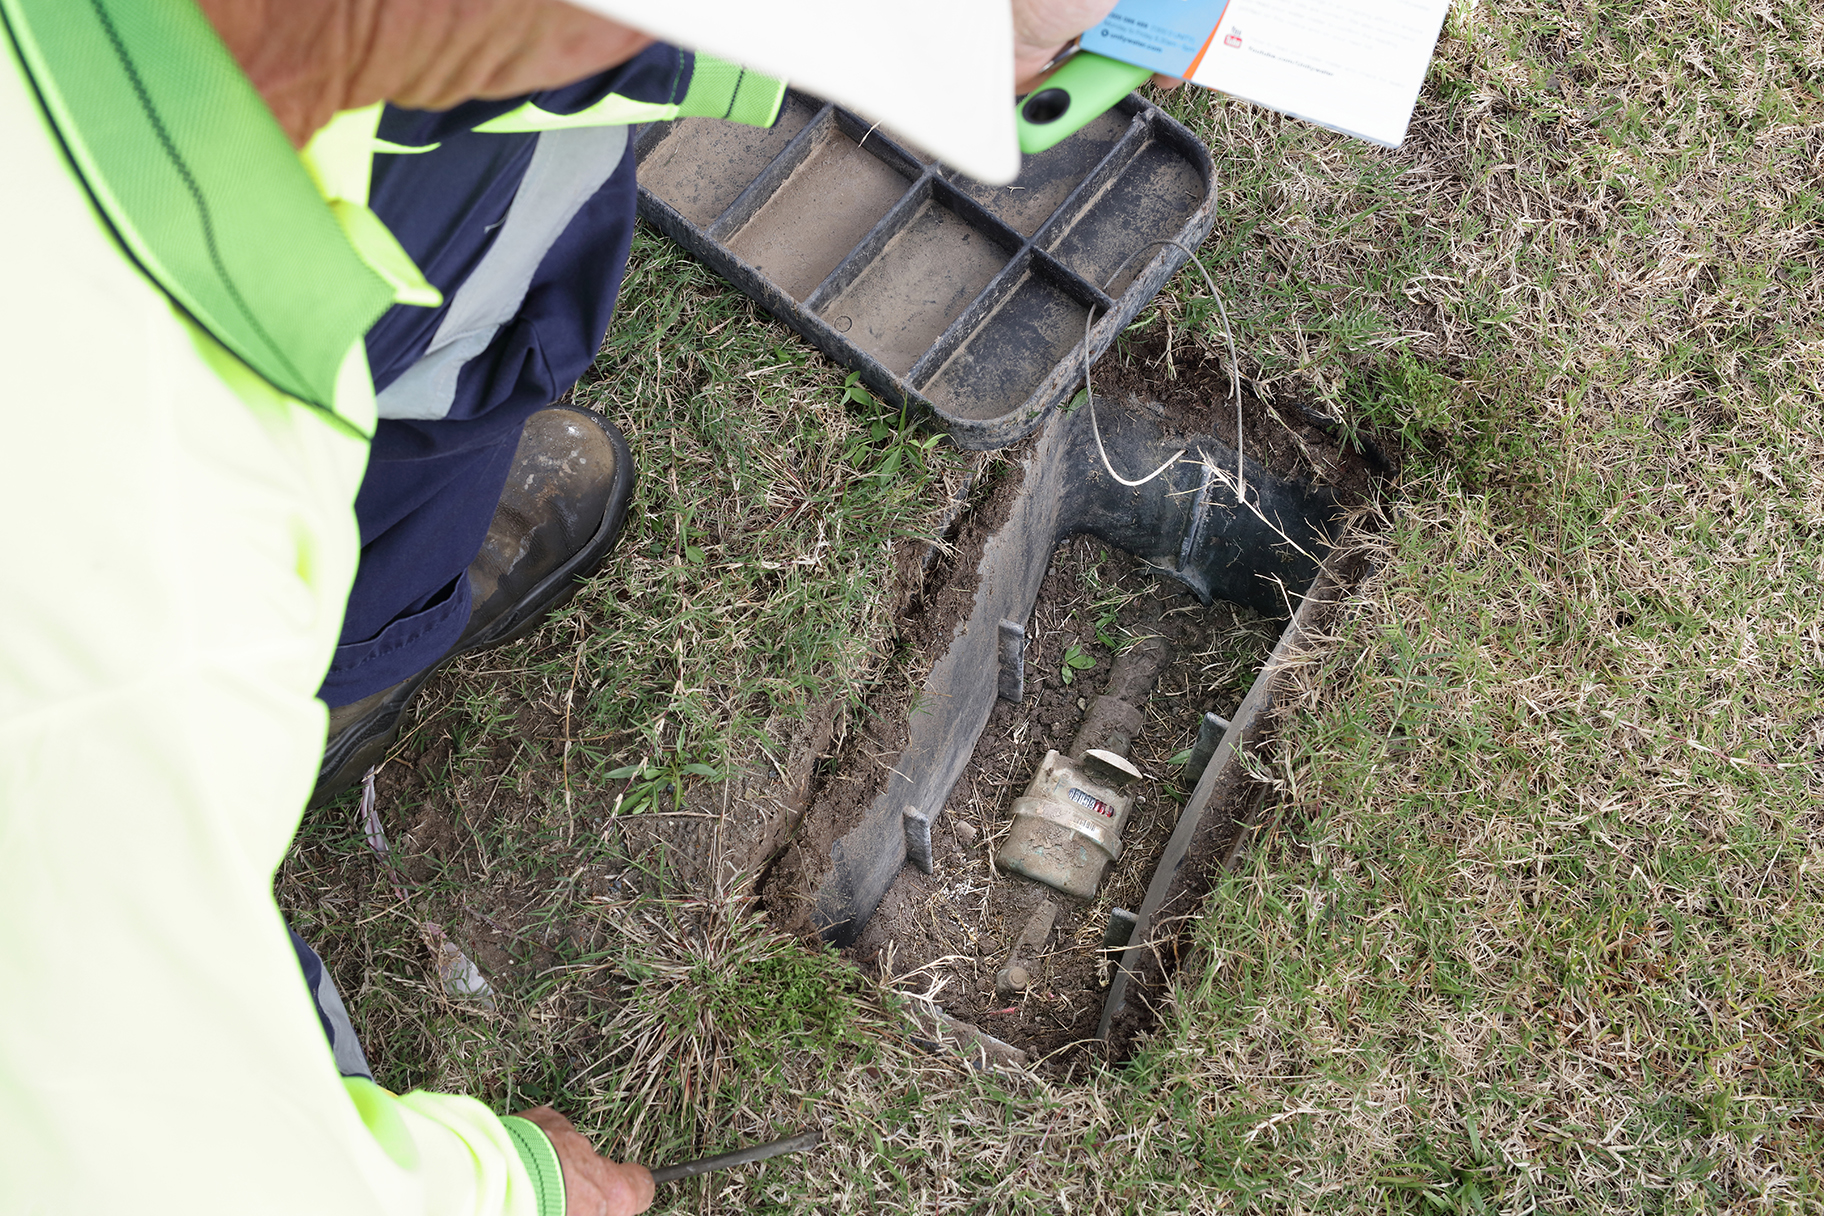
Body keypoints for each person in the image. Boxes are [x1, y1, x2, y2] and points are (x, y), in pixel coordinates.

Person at [0, 1, 1122, 1213]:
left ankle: (384, 584)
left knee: (459, 335)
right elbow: (175, 1155)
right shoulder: (143, 649)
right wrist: (513, 1186)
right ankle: (337, 665)